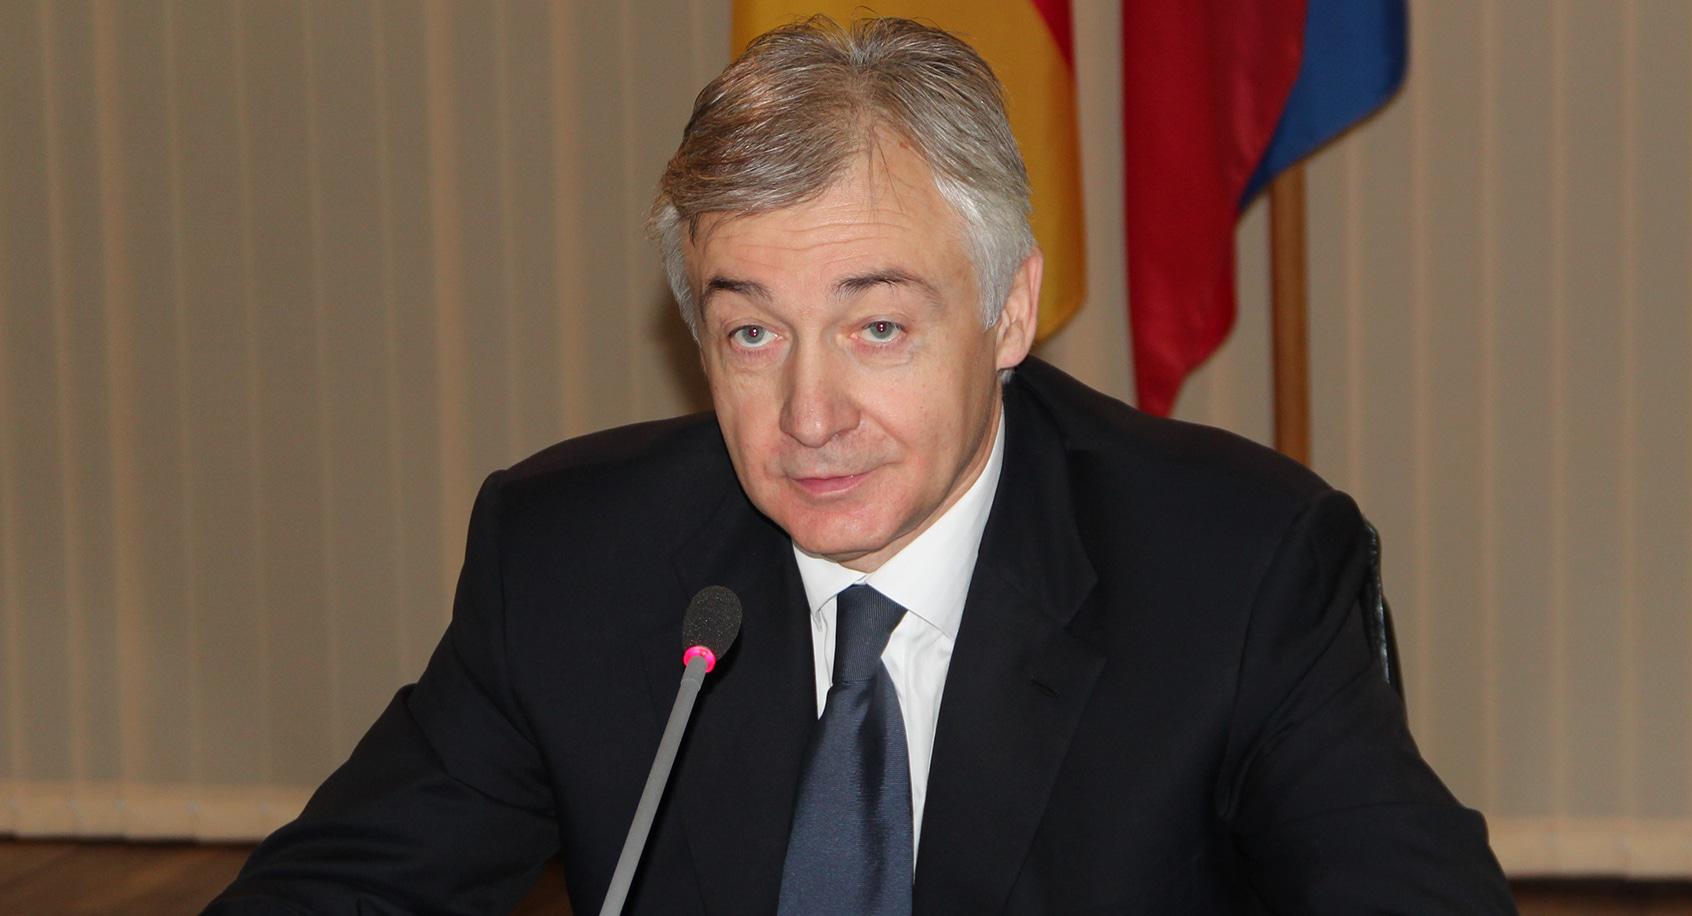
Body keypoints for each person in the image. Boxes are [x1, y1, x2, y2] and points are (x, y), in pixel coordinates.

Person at [208, 16, 1514, 915]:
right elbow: (341, 891)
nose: (809, 414)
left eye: (876, 326)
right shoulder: (571, 560)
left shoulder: (1233, 568)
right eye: (752, 333)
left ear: (1008, 308)